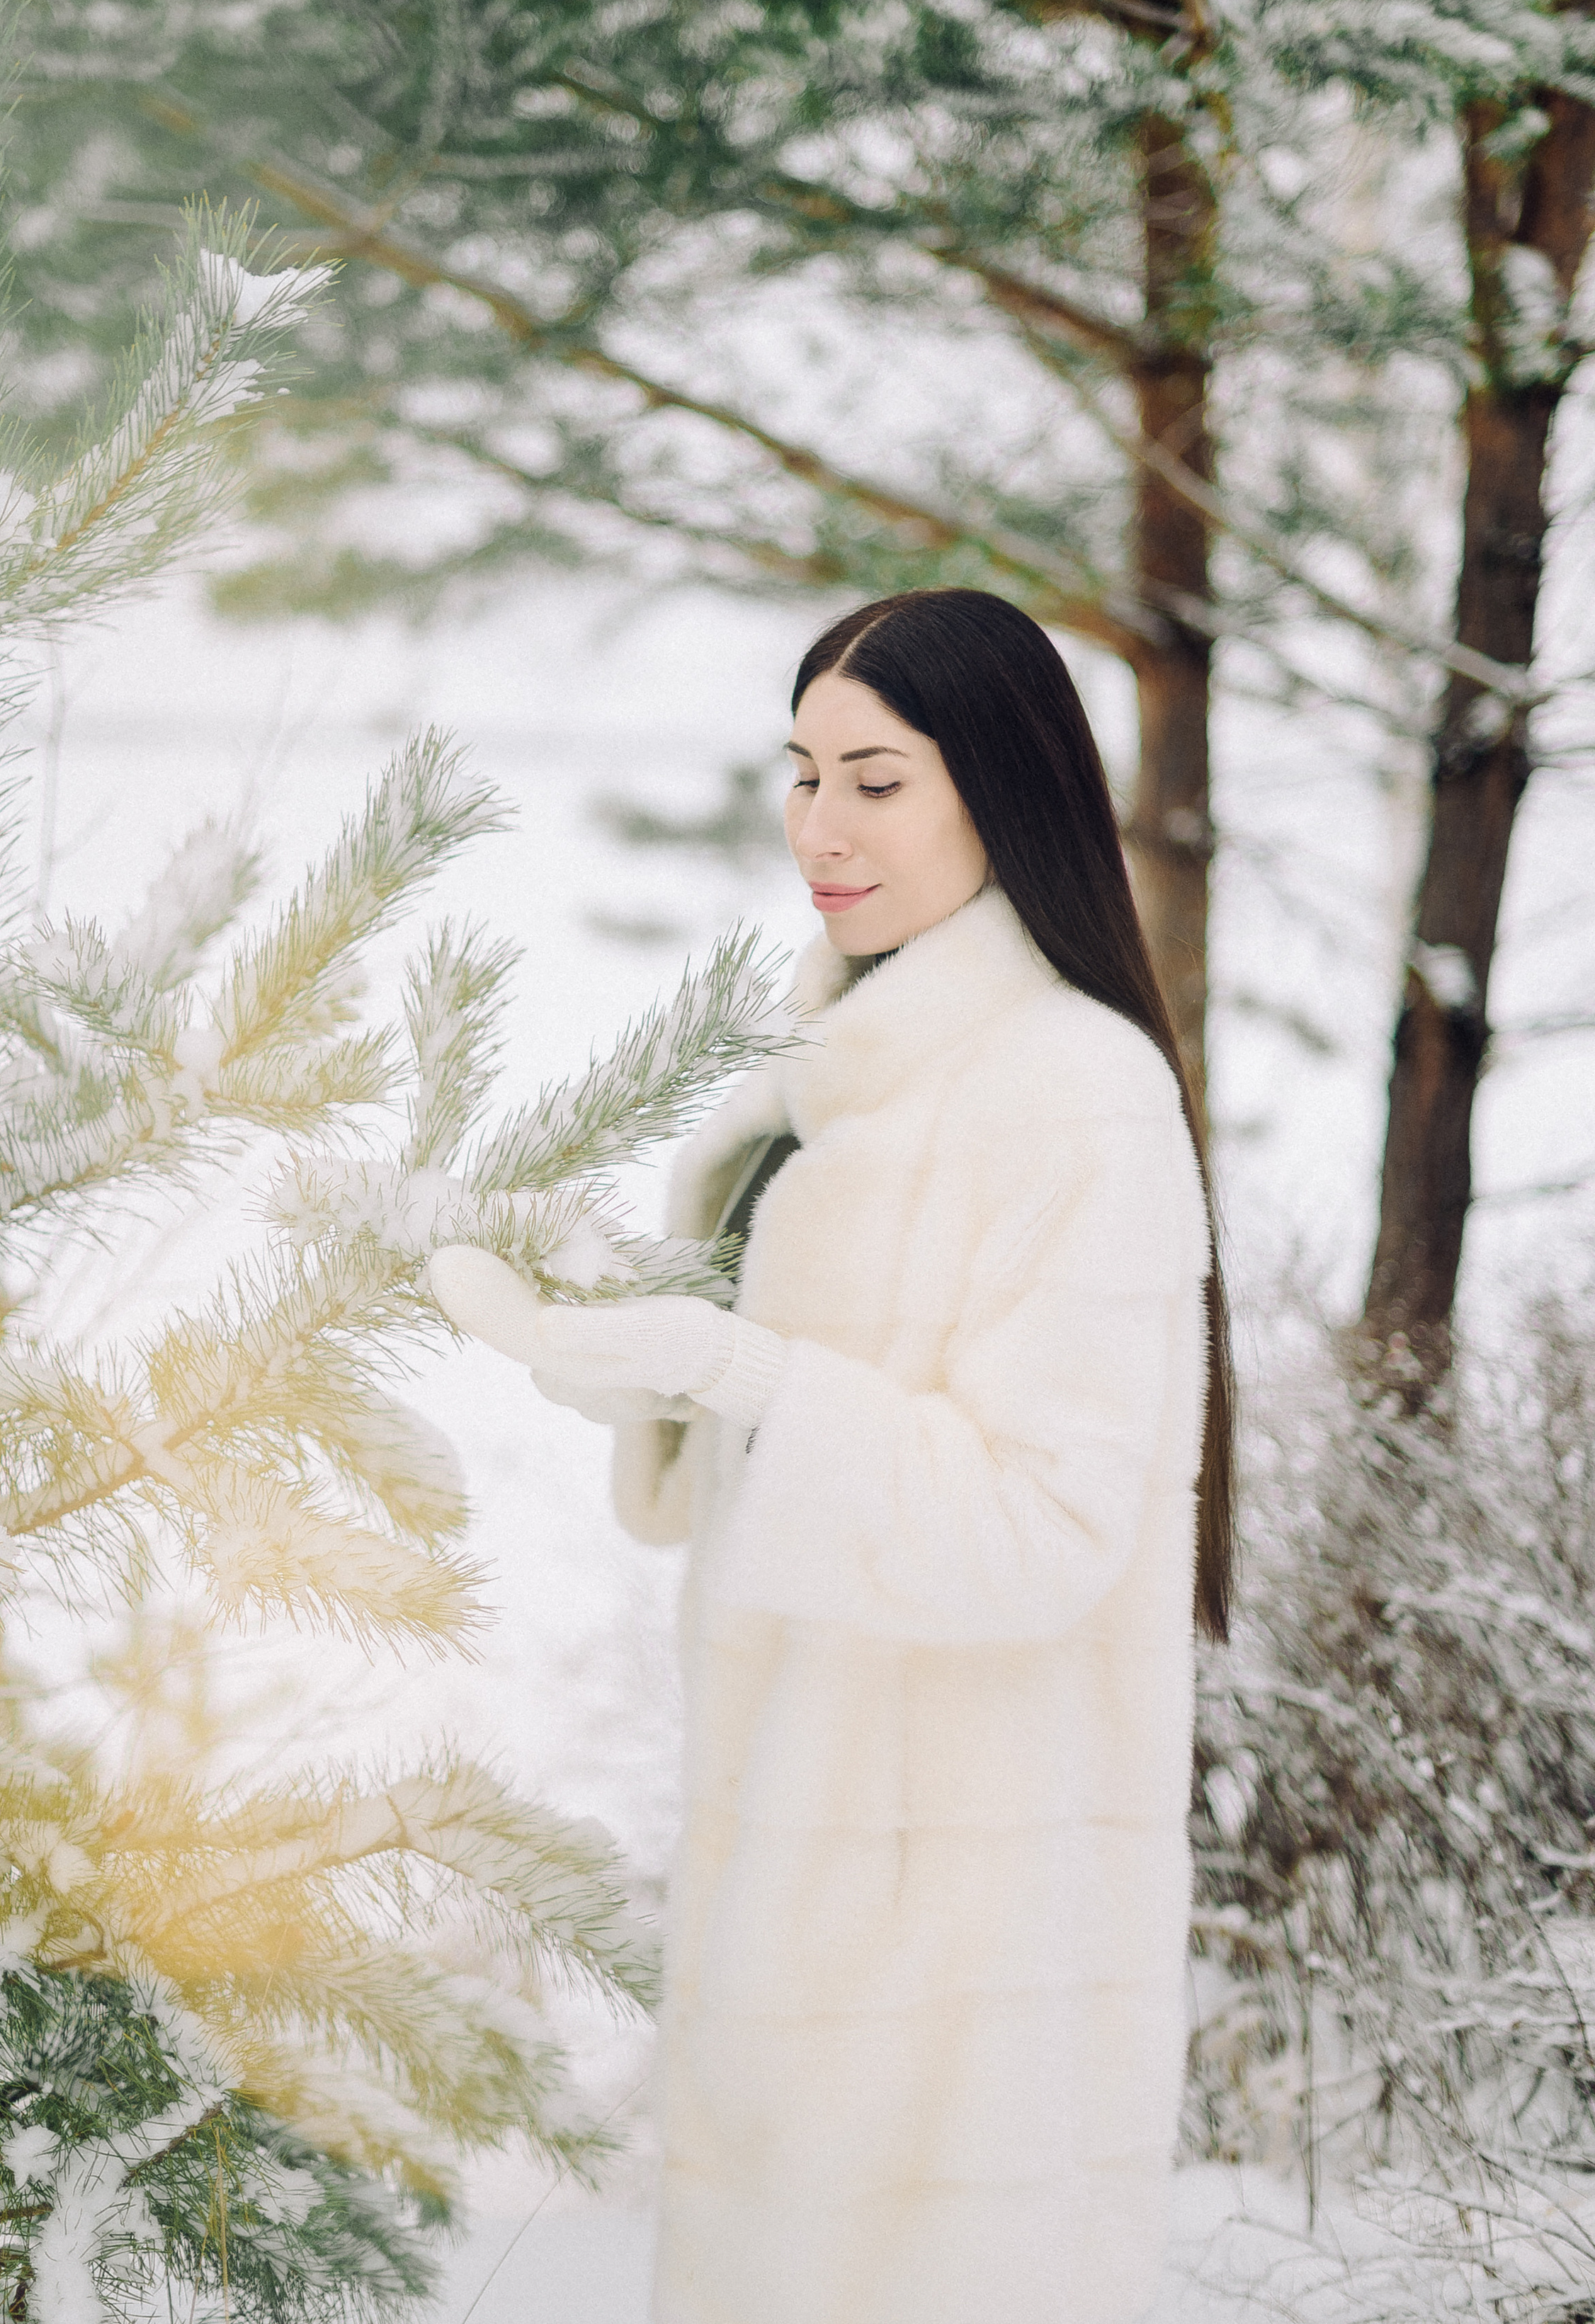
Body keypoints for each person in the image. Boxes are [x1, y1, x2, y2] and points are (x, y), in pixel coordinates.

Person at [429, 586, 1231, 2324]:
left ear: (998, 787)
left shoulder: (1068, 1092)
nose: (818, 827)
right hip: (795, 1896)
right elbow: (747, 1451)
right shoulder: (819, 1085)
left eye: (875, 778)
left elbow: (1042, 1524)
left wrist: (737, 1372)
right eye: (798, 774)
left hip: (965, 1940)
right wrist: (614, 1354)